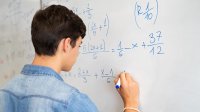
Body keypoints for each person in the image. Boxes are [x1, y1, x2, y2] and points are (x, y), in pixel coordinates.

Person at [0, 5, 140, 112]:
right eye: (79, 45)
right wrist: (131, 104)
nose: (78, 53)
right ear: (67, 44)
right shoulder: (70, 101)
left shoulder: (5, 91)